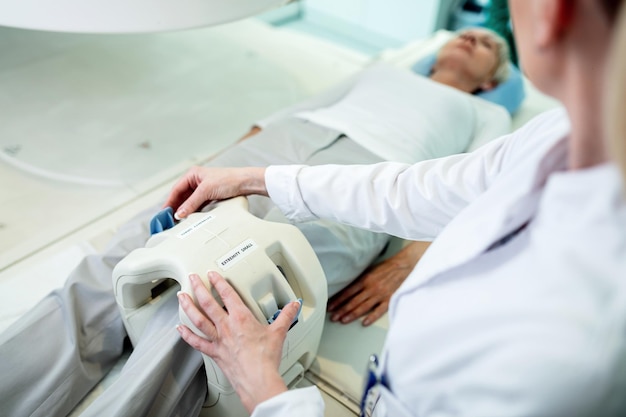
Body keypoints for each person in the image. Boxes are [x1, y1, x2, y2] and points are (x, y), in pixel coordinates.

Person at [0, 28, 513, 417]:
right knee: (126, 258)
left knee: (222, 310)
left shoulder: (485, 116)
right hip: (277, 150)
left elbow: (477, 192)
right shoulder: (382, 71)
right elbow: (282, 116)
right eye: (469, 31)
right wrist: (215, 165)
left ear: (492, 79)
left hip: (368, 186)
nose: (472, 36)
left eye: (488, 43)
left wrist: (408, 259)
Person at [171, 0, 626, 415]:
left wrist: (263, 387)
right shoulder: (551, 134)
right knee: (165, 241)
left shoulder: (580, 349)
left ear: (554, 12)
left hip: (360, 179)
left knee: (207, 305)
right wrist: (255, 175)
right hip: (305, 154)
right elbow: (418, 190)